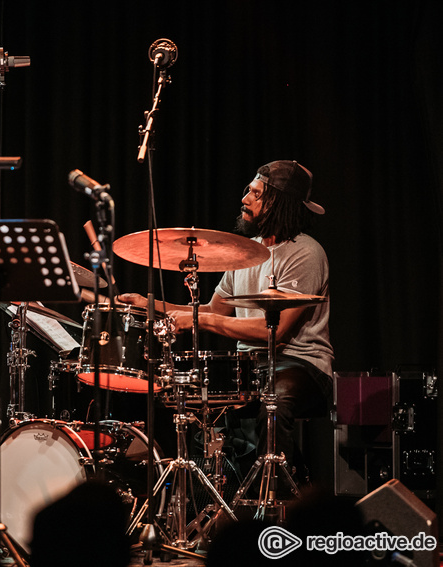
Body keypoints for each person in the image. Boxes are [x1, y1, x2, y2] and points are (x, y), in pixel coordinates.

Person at [119, 160, 333, 486]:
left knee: (275, 399)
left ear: (279, 201)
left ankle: (275, 499)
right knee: (171, 395)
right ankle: (197, 497)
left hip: (302, 366)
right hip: (248, 368)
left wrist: (201, 320)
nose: (245, 198)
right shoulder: (244, 253)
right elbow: (208, 309)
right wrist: (150, 305)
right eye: (247, 189)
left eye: (256, 193)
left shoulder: (305, 253)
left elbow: (272, 333)